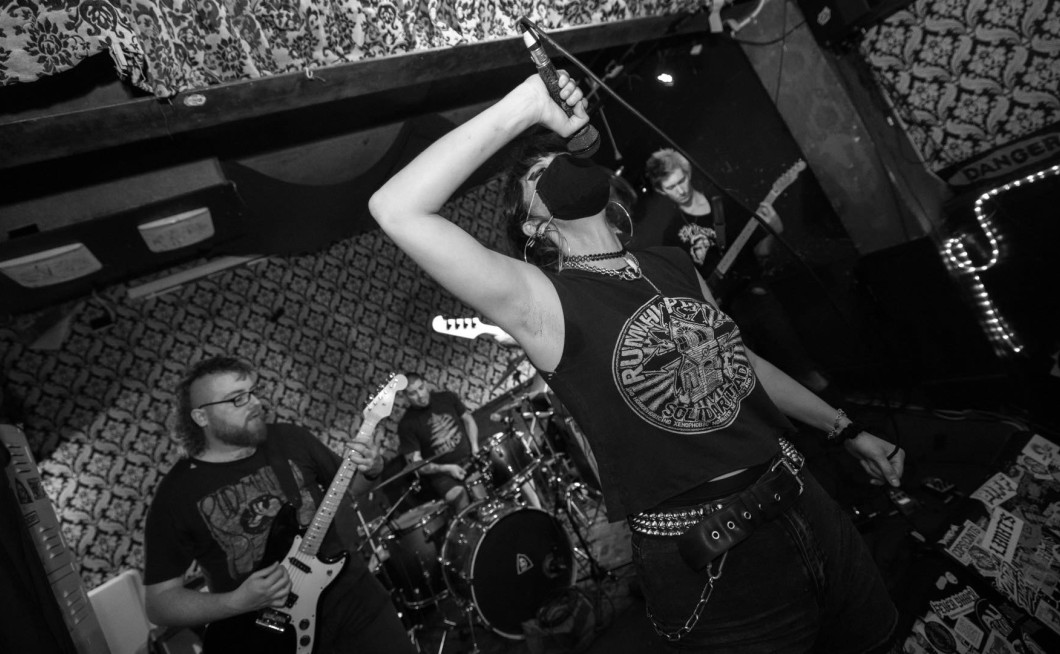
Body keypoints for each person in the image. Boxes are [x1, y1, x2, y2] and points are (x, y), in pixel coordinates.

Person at [370, 69, 907, 651]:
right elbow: (396, 209)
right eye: (537, 174)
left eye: (557, 157)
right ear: (533, 224)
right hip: (718, 560)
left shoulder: (671, 262)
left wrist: (845, 428)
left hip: (805, 498)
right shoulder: (538, 300)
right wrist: (527, 107)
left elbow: (741, 364)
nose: (556, 165)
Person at [143, 356, 415, 654]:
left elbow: (352, 489)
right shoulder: (176, 494)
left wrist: (372, 469)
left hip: (357, 603)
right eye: (237, 398)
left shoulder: (290, 438)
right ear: (201, 417)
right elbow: (159, 603)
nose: (255, 402)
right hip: (271, 637)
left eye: (253, 391)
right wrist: (234, 602)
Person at [643, 148, 832, 395]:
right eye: (671, 187)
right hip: (723, 315)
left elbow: (762, 252)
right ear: (661, 191)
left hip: (754, 297)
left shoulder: (726, 204)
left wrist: (774, 229)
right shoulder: (672, 234)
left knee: (801, 367)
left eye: (681, 180)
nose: (680, 190)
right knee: (758, 385)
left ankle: (840, 412)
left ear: (688, 173)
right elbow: (686, 285)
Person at [396, 372, 479, 511]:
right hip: (442, 475)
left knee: (487, 478)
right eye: (413, 393)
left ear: (426, 384)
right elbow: (416, 464)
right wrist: (447, 469)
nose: (420, 395)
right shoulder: (406, 425)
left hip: (470, 457)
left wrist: (475, 447)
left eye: (421, 388)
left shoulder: (447, 398)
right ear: (405, 397)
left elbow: (468, 420)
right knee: (458, 495)